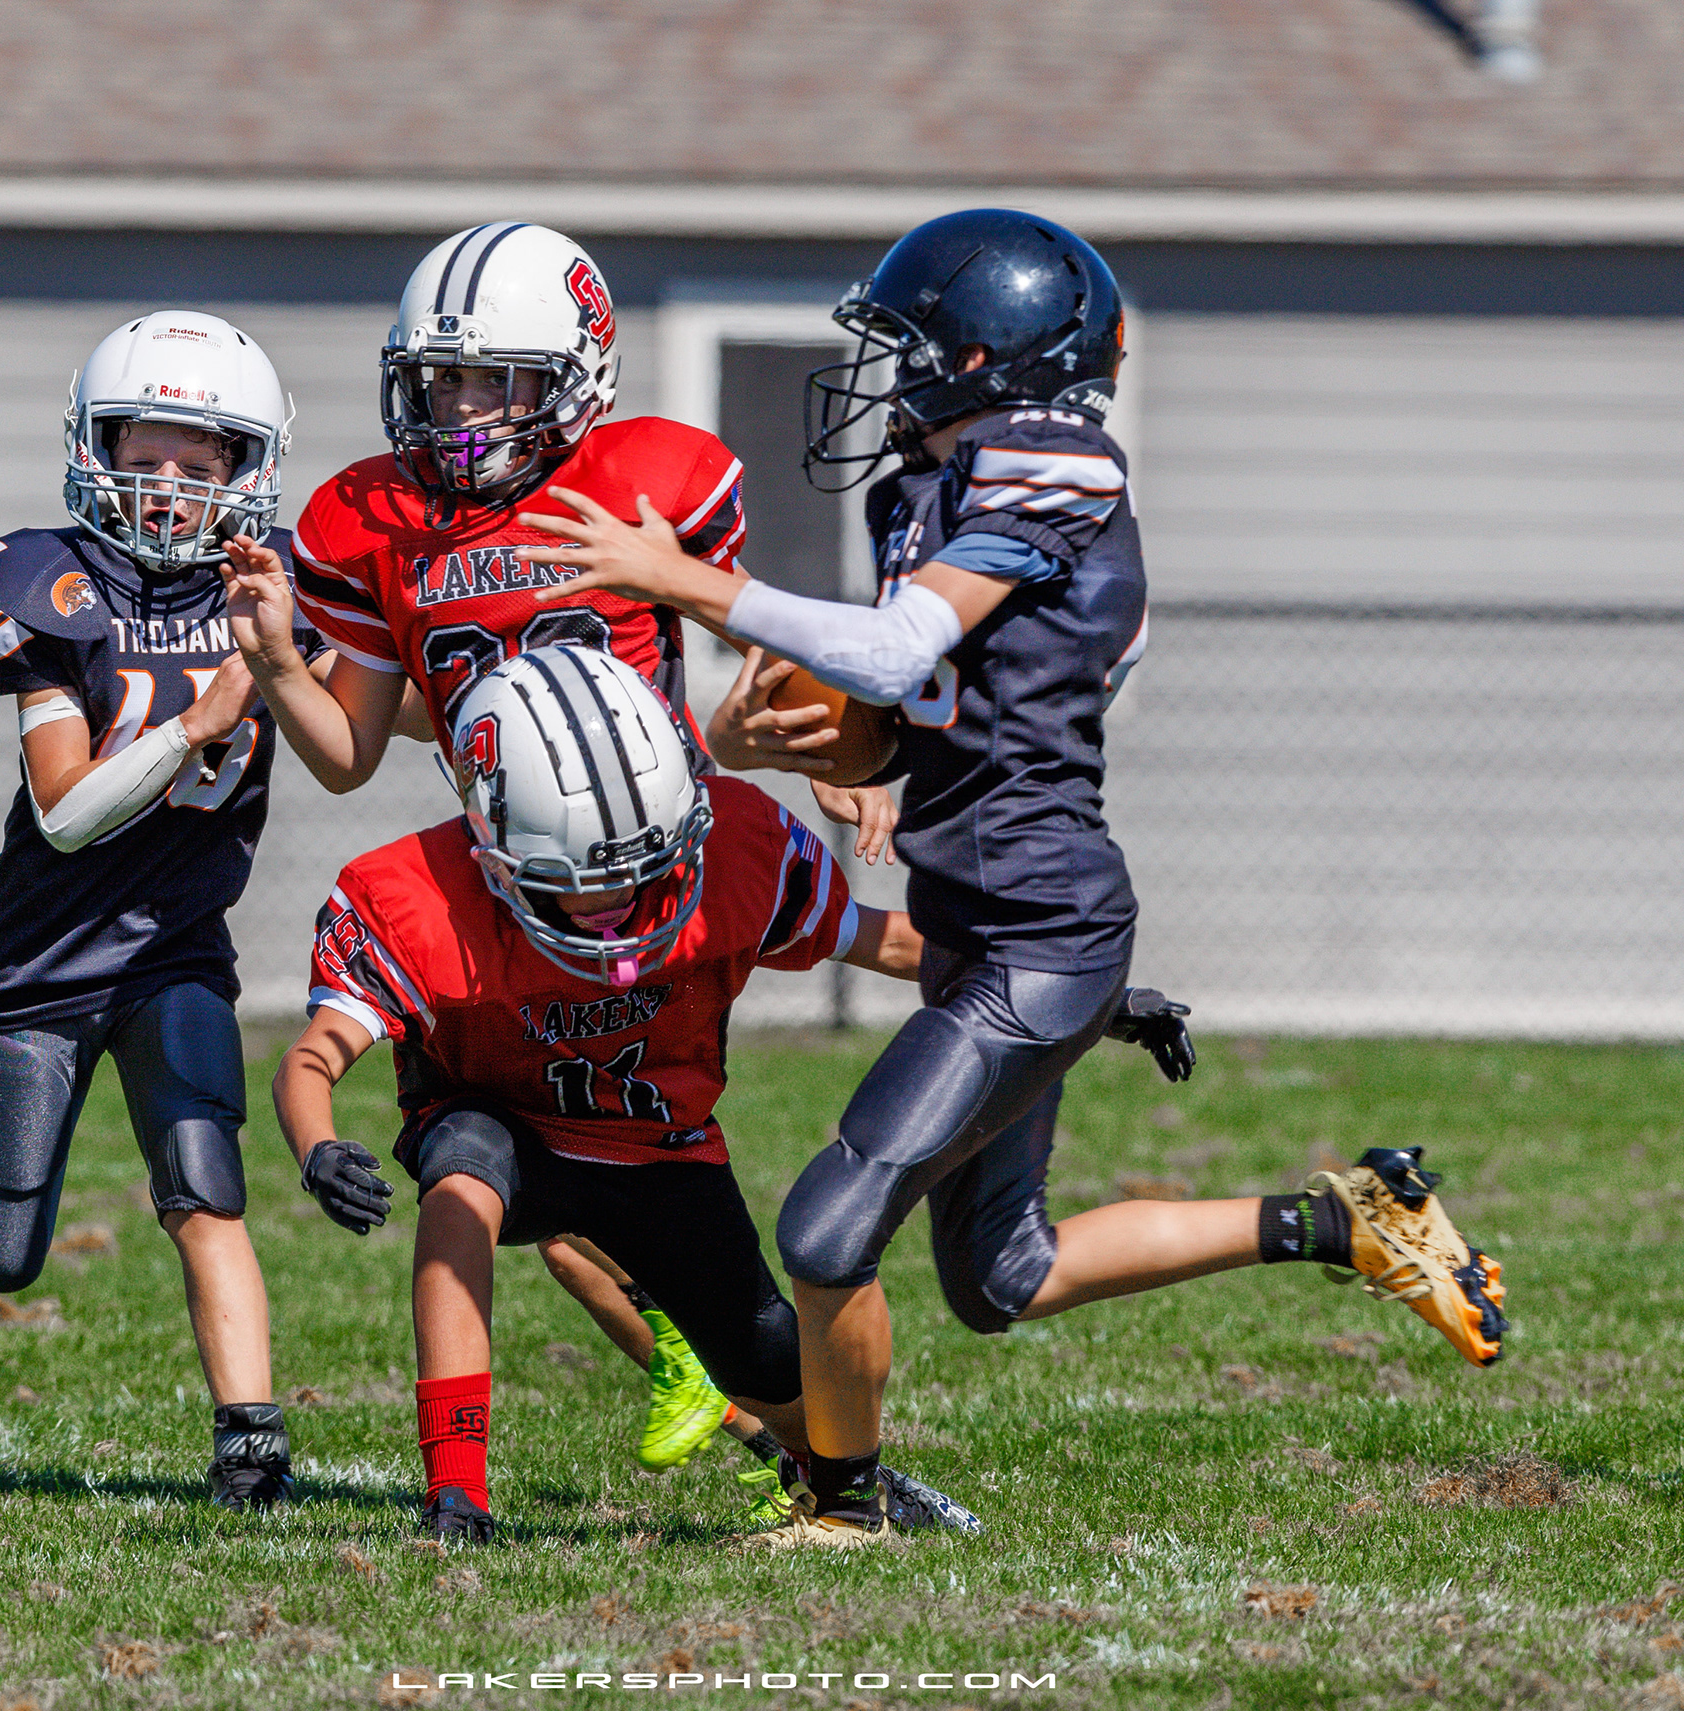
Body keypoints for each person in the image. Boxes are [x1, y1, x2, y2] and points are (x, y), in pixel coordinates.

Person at [511, 207, 1510, 1545]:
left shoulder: (1056, 461)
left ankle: (847, 1511)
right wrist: (770, 739)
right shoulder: (927, 490)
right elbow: (903, 707)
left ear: (986, 357)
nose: (886, 374)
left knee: (825, 1230)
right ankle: (1348, 1222)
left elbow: (891, 649)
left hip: (1040, 931)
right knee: (1003, 1276)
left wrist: (685, 581)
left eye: (910, 344)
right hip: (986, 928)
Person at [221, 221, 894, 1475]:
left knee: (651, 1163)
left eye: (495, 381)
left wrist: (828, 748)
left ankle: (797, 1432)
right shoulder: (372, 520)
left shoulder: (646, 482)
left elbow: (750, 636)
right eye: (441, 381)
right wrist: (272, 663)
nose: (461, 410)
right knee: (512, 1150)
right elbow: (349, 751)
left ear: (579, 375)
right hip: (516, 877)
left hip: (664, 866)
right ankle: (549, 1452)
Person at [270, 645, 977, 1543]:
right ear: (490, 845)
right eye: (578, 881)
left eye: (643, 869)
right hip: (508, 1128)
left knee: (766, 1359)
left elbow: (884, 941)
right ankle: (456, 1494)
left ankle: (840, 1479)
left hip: (658, 1146)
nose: (619, 906)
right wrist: (318, 1145)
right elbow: (311, 1058)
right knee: (463, 1175)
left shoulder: (736, 847)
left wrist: (1048, 977)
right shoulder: (416, 897)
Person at [0, 311, 333, 1509]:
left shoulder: (277, 588)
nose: (169, 486)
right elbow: (62, 812)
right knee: (5, 1245)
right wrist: (200, 721)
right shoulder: (54, 589)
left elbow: (373, 703)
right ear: (96, 451)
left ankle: (251, 1445)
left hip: (176, 947)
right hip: (42, 960)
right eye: (144, 456)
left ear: (248, 471)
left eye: (198, 462)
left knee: (206, 1184)